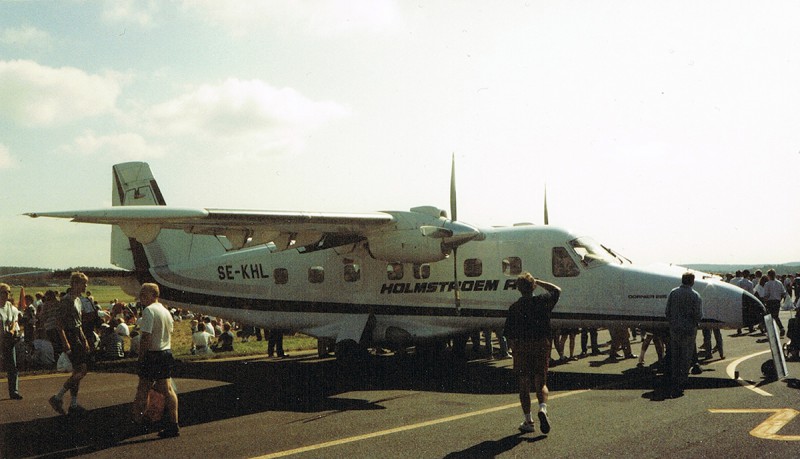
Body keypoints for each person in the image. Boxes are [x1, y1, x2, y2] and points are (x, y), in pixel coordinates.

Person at [503, 272, 561, 434]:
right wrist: (539, 281)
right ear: (533, 286)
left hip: (522, 346)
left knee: (524, 384)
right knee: (540, 382)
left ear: (518, 289)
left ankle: (528, 420)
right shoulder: (542, 301)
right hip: (541, 344)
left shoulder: (514, 307)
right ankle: (542, 408)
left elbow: (509, 334)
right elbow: (557, 290)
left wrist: (515, 350)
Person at [131, 283, 180, 438]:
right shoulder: (165, 311)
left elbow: (146, 337)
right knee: (168, 390)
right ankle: (174, 424)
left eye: (144, 294)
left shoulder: (149, 311)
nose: (141, 298)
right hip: (165, 352)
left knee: (142, 390)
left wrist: (141, 357)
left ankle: (139, 423)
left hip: (153, 354)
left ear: (153, 294)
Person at [49, 272, 93, 415]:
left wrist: (84, 338)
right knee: (82, 370)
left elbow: (78, 323)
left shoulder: (78, 300)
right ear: (74, 284)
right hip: (70, 336)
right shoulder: (66, 301)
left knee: (78, 371)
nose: (85, 286)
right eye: (83, 283)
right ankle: (58, 397)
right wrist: (65, 342)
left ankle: (73, 404)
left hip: (77, 336)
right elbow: (59, 324)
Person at [665, 272, 703, 398]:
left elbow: (667, 311)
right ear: (692, 281)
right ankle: (682, 379)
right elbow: (698, 314)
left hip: (675, 328)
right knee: (686, 355)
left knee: (675, 354)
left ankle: (674, 377)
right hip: (689, 329)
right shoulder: (695, 295)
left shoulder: (673, 293)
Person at [1, 284, 22, 400]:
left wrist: (12, 330)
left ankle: (14, 391)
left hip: (8, 340)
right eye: (3, 292)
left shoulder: (10, 307)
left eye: (8, 292)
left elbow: (14, 320)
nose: (6, 295)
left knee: (12, 366)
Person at [763, 269, 787, 336]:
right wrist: (780, 299)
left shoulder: (767, 284)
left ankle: (772, 330)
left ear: (768, 276)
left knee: (770, 316)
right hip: (777, 301)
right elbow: (783, 293)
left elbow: (766, 294)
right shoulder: (779, 283)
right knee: (776, 316)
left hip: (770, 301)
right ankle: (781, 328)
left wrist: (765, 300)